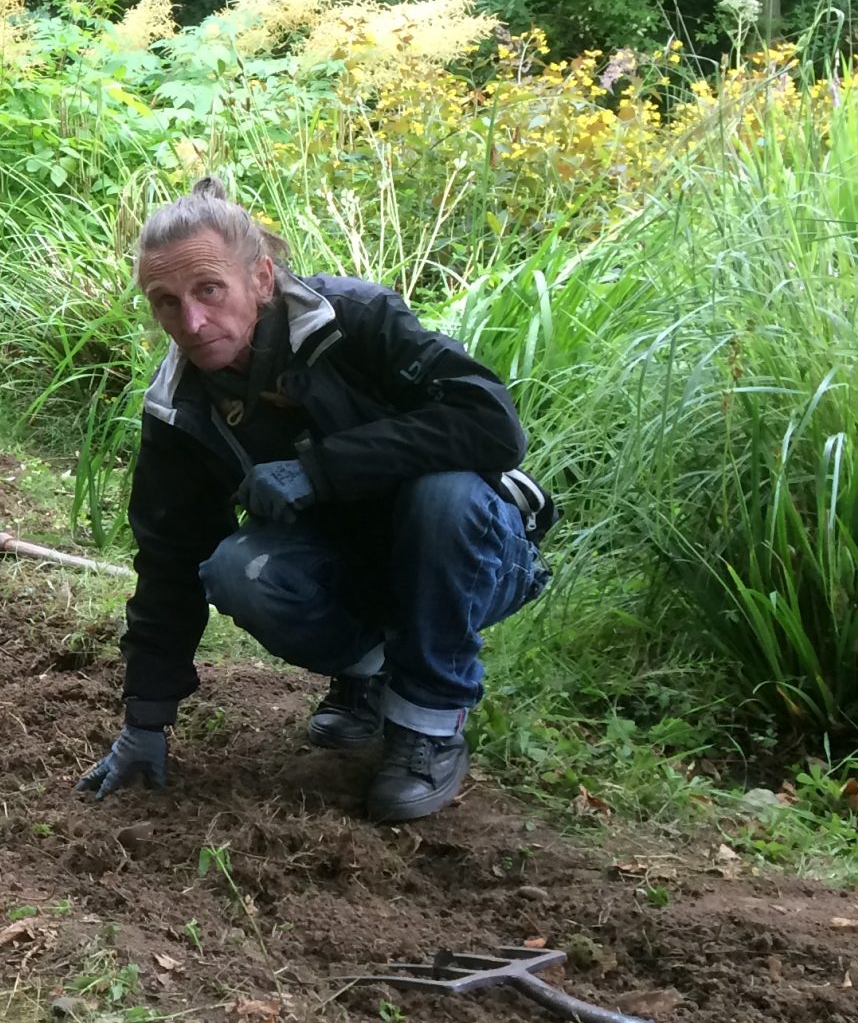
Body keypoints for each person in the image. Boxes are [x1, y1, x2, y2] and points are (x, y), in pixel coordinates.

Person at [77, 178, 554, 823]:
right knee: (237, 569)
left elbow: (492, 425)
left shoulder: (356, 318)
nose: (190, 322)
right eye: (166, 302)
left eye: (209, 289)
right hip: (347, 565)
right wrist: (146, 719)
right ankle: (370, 673)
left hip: (475, 554)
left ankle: (430, 724)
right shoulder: (179, 407)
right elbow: (170, 561)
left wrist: (322, 468)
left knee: (443, 495)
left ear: (261, 279)